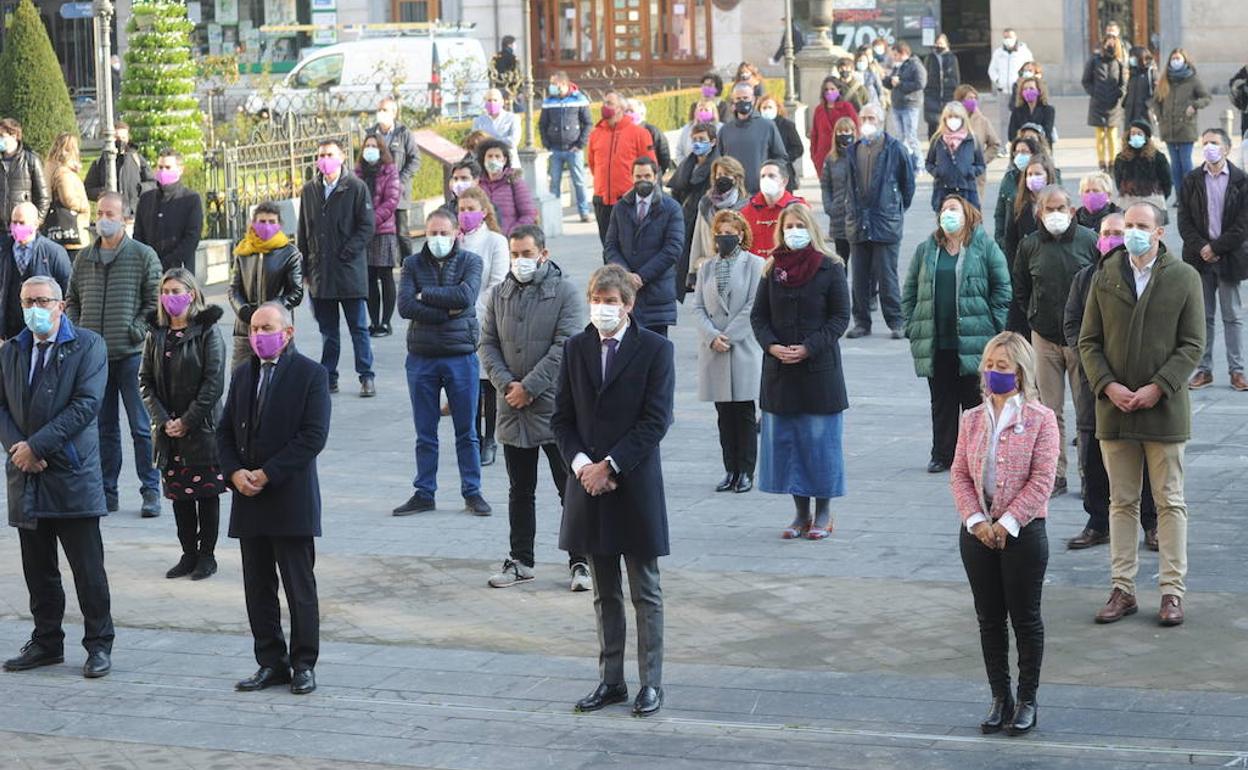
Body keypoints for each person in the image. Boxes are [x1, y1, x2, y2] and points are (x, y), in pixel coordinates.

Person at [552, 263, 675, 718]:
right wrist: (584, 465)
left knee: (645, 589)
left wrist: (613, 464)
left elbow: (656, 419)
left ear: (628, 305)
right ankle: (611, 680)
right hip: (588, 485)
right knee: (604, 591)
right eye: (596, 300)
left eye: (611, 302)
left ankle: (651, 683)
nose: (602, 309)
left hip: (633, 483)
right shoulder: (576, 348)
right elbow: (562, 418)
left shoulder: (655, 350)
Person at [1079, 202, 1204, 627]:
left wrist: (1158, 387)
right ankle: (1123, 588)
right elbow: (1088, 342)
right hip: (1114, 410)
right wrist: (1108, 386)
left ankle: (1172, 592)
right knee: (1122, 502)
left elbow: (1192, 344)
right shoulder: (1106, 276)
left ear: (1160, 233)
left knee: (1169, 501)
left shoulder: (1184, 277)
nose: (1132, 232)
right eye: (1128, 225)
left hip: (1164, 410)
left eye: (1141, 226)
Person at [0, 275, 114, 679]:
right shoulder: (12, 350)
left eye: (43, 301)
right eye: (28, 301)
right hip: (26, 475)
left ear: (61, 305)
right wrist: (19, 449)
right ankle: (46, 641)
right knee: (38, 568)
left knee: (87, 568)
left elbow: (86, 405)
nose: (35, 309)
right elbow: (3, 408)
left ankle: (99, 643)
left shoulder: (88, 345)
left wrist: (38, 447)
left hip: (70, 473)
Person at [950, 331, 1058, 737]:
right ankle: (1000, 696)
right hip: (977, 533)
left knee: (1025, 619)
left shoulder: (1041, 419)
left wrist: (1007, 523)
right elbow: (959, 473)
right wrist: (976, 521)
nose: (994, 373)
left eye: (1003, 367)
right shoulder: (971, 418)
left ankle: (1027, 698)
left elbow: (1043, 479)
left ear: (1021, 372)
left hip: (1024, 532)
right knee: (988, 618)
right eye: (990, 366)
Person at [219, 302, 330, 695]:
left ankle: (303, 664)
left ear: (288, 333)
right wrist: (234, 472)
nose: (259, 335)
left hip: (289, 498)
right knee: (258, 586)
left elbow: (312, 437)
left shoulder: (310, 375)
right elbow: (225, 432)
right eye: (253, 328)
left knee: (299, 587)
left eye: (267, 328)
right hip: (248, 497)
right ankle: (270, 661)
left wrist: (269, 473)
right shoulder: (243, 374)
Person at [478, 225, 589, 590]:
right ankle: (521, 559)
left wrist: (530, 387)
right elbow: (487, 343)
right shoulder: (499, 294)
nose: (520, 261)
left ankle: (581, 560)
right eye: (515, 254)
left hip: (555, 408)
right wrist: (507, 384)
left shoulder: (566, 292)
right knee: (519, 489)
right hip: (512, 406)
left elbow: (566, 346)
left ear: (543, 253)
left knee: (568, 487)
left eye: (527, 254)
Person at [752, 204, 850, 540]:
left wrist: (809, 346)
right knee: (789, 444)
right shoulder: (772, 269)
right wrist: (771, 345)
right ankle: (799, 514)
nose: (793, 231)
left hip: (818, 372)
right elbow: (758, 318)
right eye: (788, 226)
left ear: (810, 228)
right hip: (780, 373)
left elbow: (840, 318)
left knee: (819, 446)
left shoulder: (831, 267)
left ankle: (823, 513)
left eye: (799, 225)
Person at [1063, 212, 1159, 551]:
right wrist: (1096, 365)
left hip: (1138, 384)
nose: (1115, 238)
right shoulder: (1086, 278)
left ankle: (1152, 522)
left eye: (1120, 232)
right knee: (1092, 454)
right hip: (1096, 384)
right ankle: (1097, 521)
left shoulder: (1148, 278)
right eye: (1108, 233)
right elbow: (1073, 325)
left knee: (1146, 454)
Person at [65, 192, 163, 517]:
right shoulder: (84, 257)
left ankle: (151, 490)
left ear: (123, 217)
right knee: (104, 428)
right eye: (100, 212)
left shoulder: (142, 255)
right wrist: (81, 329)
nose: (103, 218)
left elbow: (154, 303)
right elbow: (72, 298)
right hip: (95, 358)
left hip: (132, 354)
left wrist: (135, 330)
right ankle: (108, 492)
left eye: (110, 213)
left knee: (140, 426)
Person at [393, 209, 491, 517]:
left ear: (455, 234)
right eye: (432, 233)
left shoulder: (471, 261)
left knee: (467, 431)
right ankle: (424, 492)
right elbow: (406, 306)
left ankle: (472, 491)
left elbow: (465, 297)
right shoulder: (411, 264)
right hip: (421, 357)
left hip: (460, 355)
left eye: (444, 233)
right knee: (425, 432)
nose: (438, 239)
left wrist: (426, 296)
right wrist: (444, 310)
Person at [903, 195, 1011, 473]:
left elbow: (1002, 288)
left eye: (954, 209)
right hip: (937, 340)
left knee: (975, 403)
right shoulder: (927, 249)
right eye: (944, 210)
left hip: (975, 340)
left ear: (967, 214)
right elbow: (911, 290)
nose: (948, 214)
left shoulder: (984, 247)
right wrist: (912, 324)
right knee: (941, 402)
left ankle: (976, 455)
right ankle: (942, 454)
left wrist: (994, 327)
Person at [139, 268, 226, 581]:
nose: (171, 297)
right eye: (167, 291)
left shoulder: (207, 331)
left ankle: (207, 556)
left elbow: (214, 382)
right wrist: (164, 421)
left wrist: (188, 420)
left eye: (177, 291)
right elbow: (144, 381)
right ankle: (188, 553)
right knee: (180, 495)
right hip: (168, 431)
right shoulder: (156, 333)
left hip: (201, 429)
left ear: (192, 294)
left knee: (205, 494)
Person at [1012, 185, 1099, 496]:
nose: (1055, 214)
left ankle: (1090, 476)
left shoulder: (1089, 240)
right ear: (1039, 213)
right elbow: (1020, 288)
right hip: (1044, 339)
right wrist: (1035, 317)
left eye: (1061, 207)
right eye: (1049, 209)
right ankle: (1055, 474)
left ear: (1072, 210)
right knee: (1049, 411)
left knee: (1086, 411)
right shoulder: (1030, 245)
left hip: (1081, 339)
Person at [693, 210, 764, 493]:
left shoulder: (755, 264)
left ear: (741, 234)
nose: (725, 237)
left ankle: (746, 470)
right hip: (714, 350)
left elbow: (753, 305)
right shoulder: (707, 267)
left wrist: (729, 336)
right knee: (723, 415)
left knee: (744, 413)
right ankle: (729, 469)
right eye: (720, 232)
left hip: (741, 346)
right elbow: (698, 307)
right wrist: (711, 336)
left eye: (730, 232)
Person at [298, 139, 376, 398]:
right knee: (328, 331)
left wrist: (347, 252)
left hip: (349, 272)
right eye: (321, 154)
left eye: (330, 154)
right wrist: (305, 267)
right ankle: (329, 376)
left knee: (359, 328)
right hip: (321, 273)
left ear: (342, 157)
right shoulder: (310, 189)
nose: (325, 159)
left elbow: (367, 227)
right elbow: (303, 231)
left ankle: (366, 376)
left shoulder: (355, 187)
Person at [1178, 128, 1248, 392]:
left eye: (1214, 143)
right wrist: (1203, 248)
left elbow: (1243, 224)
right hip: (1200, 259)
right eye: (1205, 143)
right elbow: (1184, 221)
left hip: (1230, 257)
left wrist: (1217, 247)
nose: (1209, 147)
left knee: (1232, 316)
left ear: (1227, 149)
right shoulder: (1192, 179)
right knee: (1202, 317)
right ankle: (1203, 370)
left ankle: (1237, 371)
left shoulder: (1241, 181)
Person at [845, 104, 915, 339]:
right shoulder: (852, 150)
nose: (867, 121)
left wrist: (894, 207)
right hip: (858, 221)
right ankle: (862, 322)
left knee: (887, 276)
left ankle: (896, 322)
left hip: (886, 221)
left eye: (871, 117)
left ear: (881, 120)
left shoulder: (895, 149)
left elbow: (908, 185)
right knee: (859, 277)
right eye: (863, 117)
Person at [457, 187, 510, 466]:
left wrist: (466, 307)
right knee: (466, 384)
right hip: (454, 323)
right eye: (461, 209)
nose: (465, 214)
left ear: (483, 211)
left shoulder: (496, 241)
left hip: (485, 318)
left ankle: (490, 438)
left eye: (470, 209)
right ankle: (472, 437)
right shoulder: (454, 241)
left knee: (486, 382)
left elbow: (498, 283)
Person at [604, 156, 684, 337]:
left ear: (656, 177)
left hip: (658, 294)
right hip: (625, 294)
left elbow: (673, 248)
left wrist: (641, 277)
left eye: (647, 176)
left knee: (657, 354)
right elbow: (610, 246)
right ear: (632, 177)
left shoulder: (671, 208)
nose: (643, 181)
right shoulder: (620, 208)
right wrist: (626, 275)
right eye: (638, 177)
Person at [227, 202, 303, 370]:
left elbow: (296, 292)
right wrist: (244, 311)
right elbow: (233, 289)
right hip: (246, 328)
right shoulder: (243, 251)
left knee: (281, 379)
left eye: (271, 221)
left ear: (279, 225)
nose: (266, 226)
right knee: (241, 378)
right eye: (262, 221)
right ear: (253, 223)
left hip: (276, 328)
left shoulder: (290, 253)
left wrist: (271, 311)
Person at [587, 91, 655, 243]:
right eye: (604, 102)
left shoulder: (639, 133)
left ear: (621, 108)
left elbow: (650, 166)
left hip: (629, 200)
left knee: (631, 245)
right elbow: (593, 165)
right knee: (608, 246)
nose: (604, 106)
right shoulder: (596, 134)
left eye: (609, 103)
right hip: (602, 202)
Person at [1004, 157, 1061, 335]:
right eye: (1029, 174)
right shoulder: (1019, 206)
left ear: (1048, 176)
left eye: (1038, 173)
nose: (1033, 177)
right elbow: (1010, 241)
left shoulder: (1058, 206)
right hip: (1025, 275)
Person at [0, 202, 71, 340]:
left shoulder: (53, 253)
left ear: (35, 224)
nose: (17, 227)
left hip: (43, 328)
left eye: (22, 223)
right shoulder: (4, 250)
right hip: (10, 328)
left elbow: (67, 289)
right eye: (14, 222)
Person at [667, 122, 719, 302]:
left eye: (702, 139)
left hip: (706, 220)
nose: (697, 143)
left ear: (712, 142)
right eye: (694, 139)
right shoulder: (687, 164)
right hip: (686, 218)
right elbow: (677, 190)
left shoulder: (717, 165)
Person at [356, 134, 401, 338]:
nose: (371, 149)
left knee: (385, 275)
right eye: (368, 146)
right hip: (364, 233)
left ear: (382, 149)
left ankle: (386, 322)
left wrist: (371, 220)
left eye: (374, 146)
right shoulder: (357, 173)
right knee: (369, 278)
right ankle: (374, 322)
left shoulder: (389, 171)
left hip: (383, 231)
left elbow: (391, 200)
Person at [367, 97, 422, 257]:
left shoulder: (403, 133)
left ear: (394, 113)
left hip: (398, 193)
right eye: (379, 110)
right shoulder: (371, 133)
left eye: (384, 110)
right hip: (376, 192)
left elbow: (415, 159)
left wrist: (399, 180)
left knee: (402, 233)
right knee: (378, 232)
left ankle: (408, 265)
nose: (380, 113)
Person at [1154, 48, 1211, 200]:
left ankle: (1190, 194)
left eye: (1178, 58)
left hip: (1186, 127)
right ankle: (1180, 196)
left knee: (1186, 163)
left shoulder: (1192, 79)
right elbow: (1156, 100)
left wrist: (1194, 105)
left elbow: (1206, 97)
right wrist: (1160, 117)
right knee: (1175, 165)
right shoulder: (1165, 79)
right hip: (1168, 127)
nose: (1175, 61)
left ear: (1184, 60)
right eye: (1173, 58)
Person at [686, 156, 749, 291]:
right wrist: (692, 272)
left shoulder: (745, 205)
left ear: (736, 177)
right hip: (709, 270)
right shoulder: (706, 204)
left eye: (726, 174)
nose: (721, 177)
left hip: (737, 272)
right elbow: (697, 239)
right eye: (719, 174)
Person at [133, 149, 202, 272]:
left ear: (180, 170)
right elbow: (138, 236)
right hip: (149, 271)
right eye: (160, 167)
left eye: (168, 167)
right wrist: (148, 261)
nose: (163, 171)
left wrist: (167, 263)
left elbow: (192, 238)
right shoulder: (146, 199)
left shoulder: (191, 199)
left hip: (179, 272)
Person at [540, 71, 593, 223]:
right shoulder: (549, 101)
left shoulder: (579, 99)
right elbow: (542, 125)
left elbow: (588, 123)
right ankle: (555, 215)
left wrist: (580, 144)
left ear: (563, 84)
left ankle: (584, 212)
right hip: (555, 149)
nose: (551, 87)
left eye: (554, 84)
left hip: (574, 149)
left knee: (579, 181)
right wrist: (547, 144)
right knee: (554, 183)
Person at [717, 81, 787, 194]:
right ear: (733, 102)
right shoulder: (725, 130)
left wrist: (770, 178)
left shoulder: (767, 126)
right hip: (732, 194)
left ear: (753, 100)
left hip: (761, 193)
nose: (742, 101)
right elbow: (718, 161)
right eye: (738, 99)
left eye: (745, 98)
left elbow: (780, 157)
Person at [84, 121, 155, 220]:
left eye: (123, 138)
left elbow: (153, 183)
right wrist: (104, 192)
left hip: (133, 216)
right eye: (117, 138)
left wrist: (139, 189)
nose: (120, 141)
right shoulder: (101, 162)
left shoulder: (137, 159)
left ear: (128, 138)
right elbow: (88, 188)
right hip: (110, 216)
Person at [926, 102, 985, 211]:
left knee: (968, 224)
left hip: (966, 189)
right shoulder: (937, 139)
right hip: (943, 190)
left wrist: (970, 172)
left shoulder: (972, 139)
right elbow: (929, 163)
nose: (953, 120)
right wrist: (938, 172)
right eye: (950, 117)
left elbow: (981, 164)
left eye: (957, 117)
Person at [742, 160, 805, 258]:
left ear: (784, 181)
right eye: (763, 176)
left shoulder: (799, 208)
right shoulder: (747, 211)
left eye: (771, 176)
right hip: (756, 269)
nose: (766, 180)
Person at [475, 138, 536, 237]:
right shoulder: (477, 184)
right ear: (483, 160)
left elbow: (528, 214)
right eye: (489, 156)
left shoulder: (514, 182)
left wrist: (512, 234)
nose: (493, 160)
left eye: (497, 156)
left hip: (510, 240)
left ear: (504, 160)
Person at [1084, 35, 1127, 171]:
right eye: (1108, 43)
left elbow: (1123, 83)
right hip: (1098, 103)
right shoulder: (1094, 61)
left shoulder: (1119, 63)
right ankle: (1102, 163)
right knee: (1100, 135)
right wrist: (1094, 92)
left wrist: (1120, 94)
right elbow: (1086, 80)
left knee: (1112, 136)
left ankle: (1113, 163)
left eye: (1113, 44)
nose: (1110, 46)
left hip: (1113, 105)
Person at [42, 133, 90, 256]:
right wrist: (84, 206)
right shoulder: (64, 173)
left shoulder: (51, 168)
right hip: (72, 230)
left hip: (57, 229)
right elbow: (68, 199)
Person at [988, 29, 1035, 155]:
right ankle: (1004, 147)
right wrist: (998, 81)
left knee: (1021, 119)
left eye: (1010, 37)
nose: (1008, 39)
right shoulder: (998, 53)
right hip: (1004, 91)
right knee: (1004, 121)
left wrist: (1025, 82)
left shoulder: (1024, 52)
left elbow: (1031, 67)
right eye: (1005, 37)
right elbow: (992, 69)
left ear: (1015, 37)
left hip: (1019, 92)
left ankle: (1024, 145)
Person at [883, 41, 927, 170]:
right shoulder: (898, 66)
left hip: (910, 104)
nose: (894, 58)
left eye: (896, 55)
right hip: (897, 105)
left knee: (911, 136)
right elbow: (890, 83)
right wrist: (886, 80)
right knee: (900, 137)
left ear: (903, 53)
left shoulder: (915, 65)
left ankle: (919, 164)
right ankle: (904, 163)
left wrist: (901, 83)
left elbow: (920, 84)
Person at [993, 137, 1043, 251]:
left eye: (1025, 152)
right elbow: (1000, 213)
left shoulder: (1043, 178)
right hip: (1014, 243)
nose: (1020, 155)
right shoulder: (1009, 179)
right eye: (1017, 152)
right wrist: (1001, 240)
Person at [1113, 120, 1172, 216]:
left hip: (1153, 200)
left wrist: (1159, 196)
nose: (1135, 136)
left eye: (1139, 133)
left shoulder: (1158, 157)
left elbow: (1167, 181)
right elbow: (1118, 181)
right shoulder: (1121, 158)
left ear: (1146, 136)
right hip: (1128, 200)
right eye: (1133, 133)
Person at [809, 75, 861, 182]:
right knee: (826, 188)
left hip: (843, 153)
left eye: (832, 89)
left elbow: (856, 129)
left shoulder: (847, 107)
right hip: (823, 155)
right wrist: (814, 155)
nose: (829, 92)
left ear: (839, 90)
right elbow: (814, 134)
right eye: (826, 90)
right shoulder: (819, 110)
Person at [820, 118, 859, 262]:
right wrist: (829, 207)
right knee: (841, 260)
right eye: (840, 131)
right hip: (838, 216)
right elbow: (825, 185)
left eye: (846, 131)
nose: (843, 134)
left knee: (860, 261)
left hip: (857, 217)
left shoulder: (860, 155)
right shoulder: (831, 159)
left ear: (853, 132)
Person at [0, 118, 49, 228]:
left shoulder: (31, 160)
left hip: (22, 226)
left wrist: (36, 222)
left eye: (2, 136)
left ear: (14, 136)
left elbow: (43, 197)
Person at [756, 95, 804, 192]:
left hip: (783, 170)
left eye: (770, 107)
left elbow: (798, 148)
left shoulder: (787, 125)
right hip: (762, 171)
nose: (767, 110)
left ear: (777, 109)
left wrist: (785, 158)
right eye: (764, 108)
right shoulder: (757, 127)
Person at [924, 34, 962, 138]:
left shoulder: (952, 58)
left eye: (941, 43)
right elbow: (925, 74)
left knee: (949, 122)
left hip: (948, 94)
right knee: (932, 124)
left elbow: (956, 77)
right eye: (937, 43)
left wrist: (955, 91)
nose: (939, 45)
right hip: (932, 94)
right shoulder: (930, 57)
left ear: (946, 44)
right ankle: (933, 146)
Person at [625, 99, 673, 177]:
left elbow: (664, 155)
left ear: (641, 113)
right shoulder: (622, 132)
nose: (628, 114)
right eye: (626, 111)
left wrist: (657, 174)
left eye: (631, 111)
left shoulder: (652, 131)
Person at [472, 89, 522, 162]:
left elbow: (513, 141)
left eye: (495, 100)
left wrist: (489, 141)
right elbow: (476, 143)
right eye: (489, 100)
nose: (492, 103)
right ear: (485, 102)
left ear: (502, 102)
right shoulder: (478, 121)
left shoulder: (512, 118)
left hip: (509, 163)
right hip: (486, 164)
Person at [673, 99, 722, 167]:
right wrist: (684, 167)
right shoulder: (687, 128)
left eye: (706, 110)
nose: (703, 112)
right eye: (700, 110)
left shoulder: (721, 128)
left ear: (713, 112)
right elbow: (679, 151)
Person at [1009, 77, 1056, 147]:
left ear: (1039, 91)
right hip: (1022, 149)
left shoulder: (1048, 110)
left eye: (1031, 88)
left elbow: (1047, 132)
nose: (1028, 91)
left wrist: (1024, 133)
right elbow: (1011, 135)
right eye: (1025, 89)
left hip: (1041, 149)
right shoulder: (1017, 111)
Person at [1123, 47, 1157, 136]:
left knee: (1145, 143)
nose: (1131, 59)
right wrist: (1125, 103)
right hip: (1131, 112)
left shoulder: (1151, 72)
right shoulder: (1132, 72)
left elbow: (1157, 92)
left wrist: (1148, 104)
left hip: (1144, 113)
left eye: (1133, 57)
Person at [1232, 61, 1248, 138]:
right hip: (1246, 110)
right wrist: (1239, 84)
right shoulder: (1244, 71)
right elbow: (1232, 82)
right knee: (1245, 136)